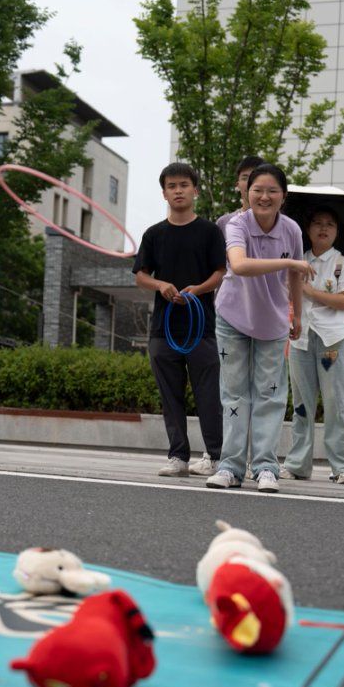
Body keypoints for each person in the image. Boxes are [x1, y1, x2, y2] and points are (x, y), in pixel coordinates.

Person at [206, 163, 314, 492]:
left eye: (272, 191)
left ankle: (266, 467)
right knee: (234, 393)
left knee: (270, 395)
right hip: (232, 316)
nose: (264, 197)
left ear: (284, 196)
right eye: (257, 190)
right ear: (247, 192)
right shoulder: (237, 224)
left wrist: (297, 315)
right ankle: (230, 466)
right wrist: (289, 261)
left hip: (273, 321)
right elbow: (239, 265)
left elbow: (296, 276)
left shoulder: (292, 230)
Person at [133, 162, 226, 477]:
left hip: (202, 329)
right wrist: (161, 285)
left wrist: (197, 290)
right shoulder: (154, 234)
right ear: (164, 193)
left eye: (184, 185)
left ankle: (215, 456)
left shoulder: (210, 231)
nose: (178, 191)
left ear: (195, 190)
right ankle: (178, 456)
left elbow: (221, 272)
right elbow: (141, 276)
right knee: (170, 396)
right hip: (163, 330)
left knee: (208, 396)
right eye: (171, 186)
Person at [280, 208, 344, 483]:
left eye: (329, 224)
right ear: (308, 228)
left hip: (333, 341)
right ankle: (297, 465)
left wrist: (310, 291)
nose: (323, 228)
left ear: (337, 231)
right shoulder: (297, 261)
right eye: (317, 223)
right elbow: (284, 295)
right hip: (301, 338)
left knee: (337, 404)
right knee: (301, 405)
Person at [217, 155, 264, 234]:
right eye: (245, 178)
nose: (250, 183)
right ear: (237, 185)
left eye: (255, 177)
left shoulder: (280, 222)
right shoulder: (224, 223)